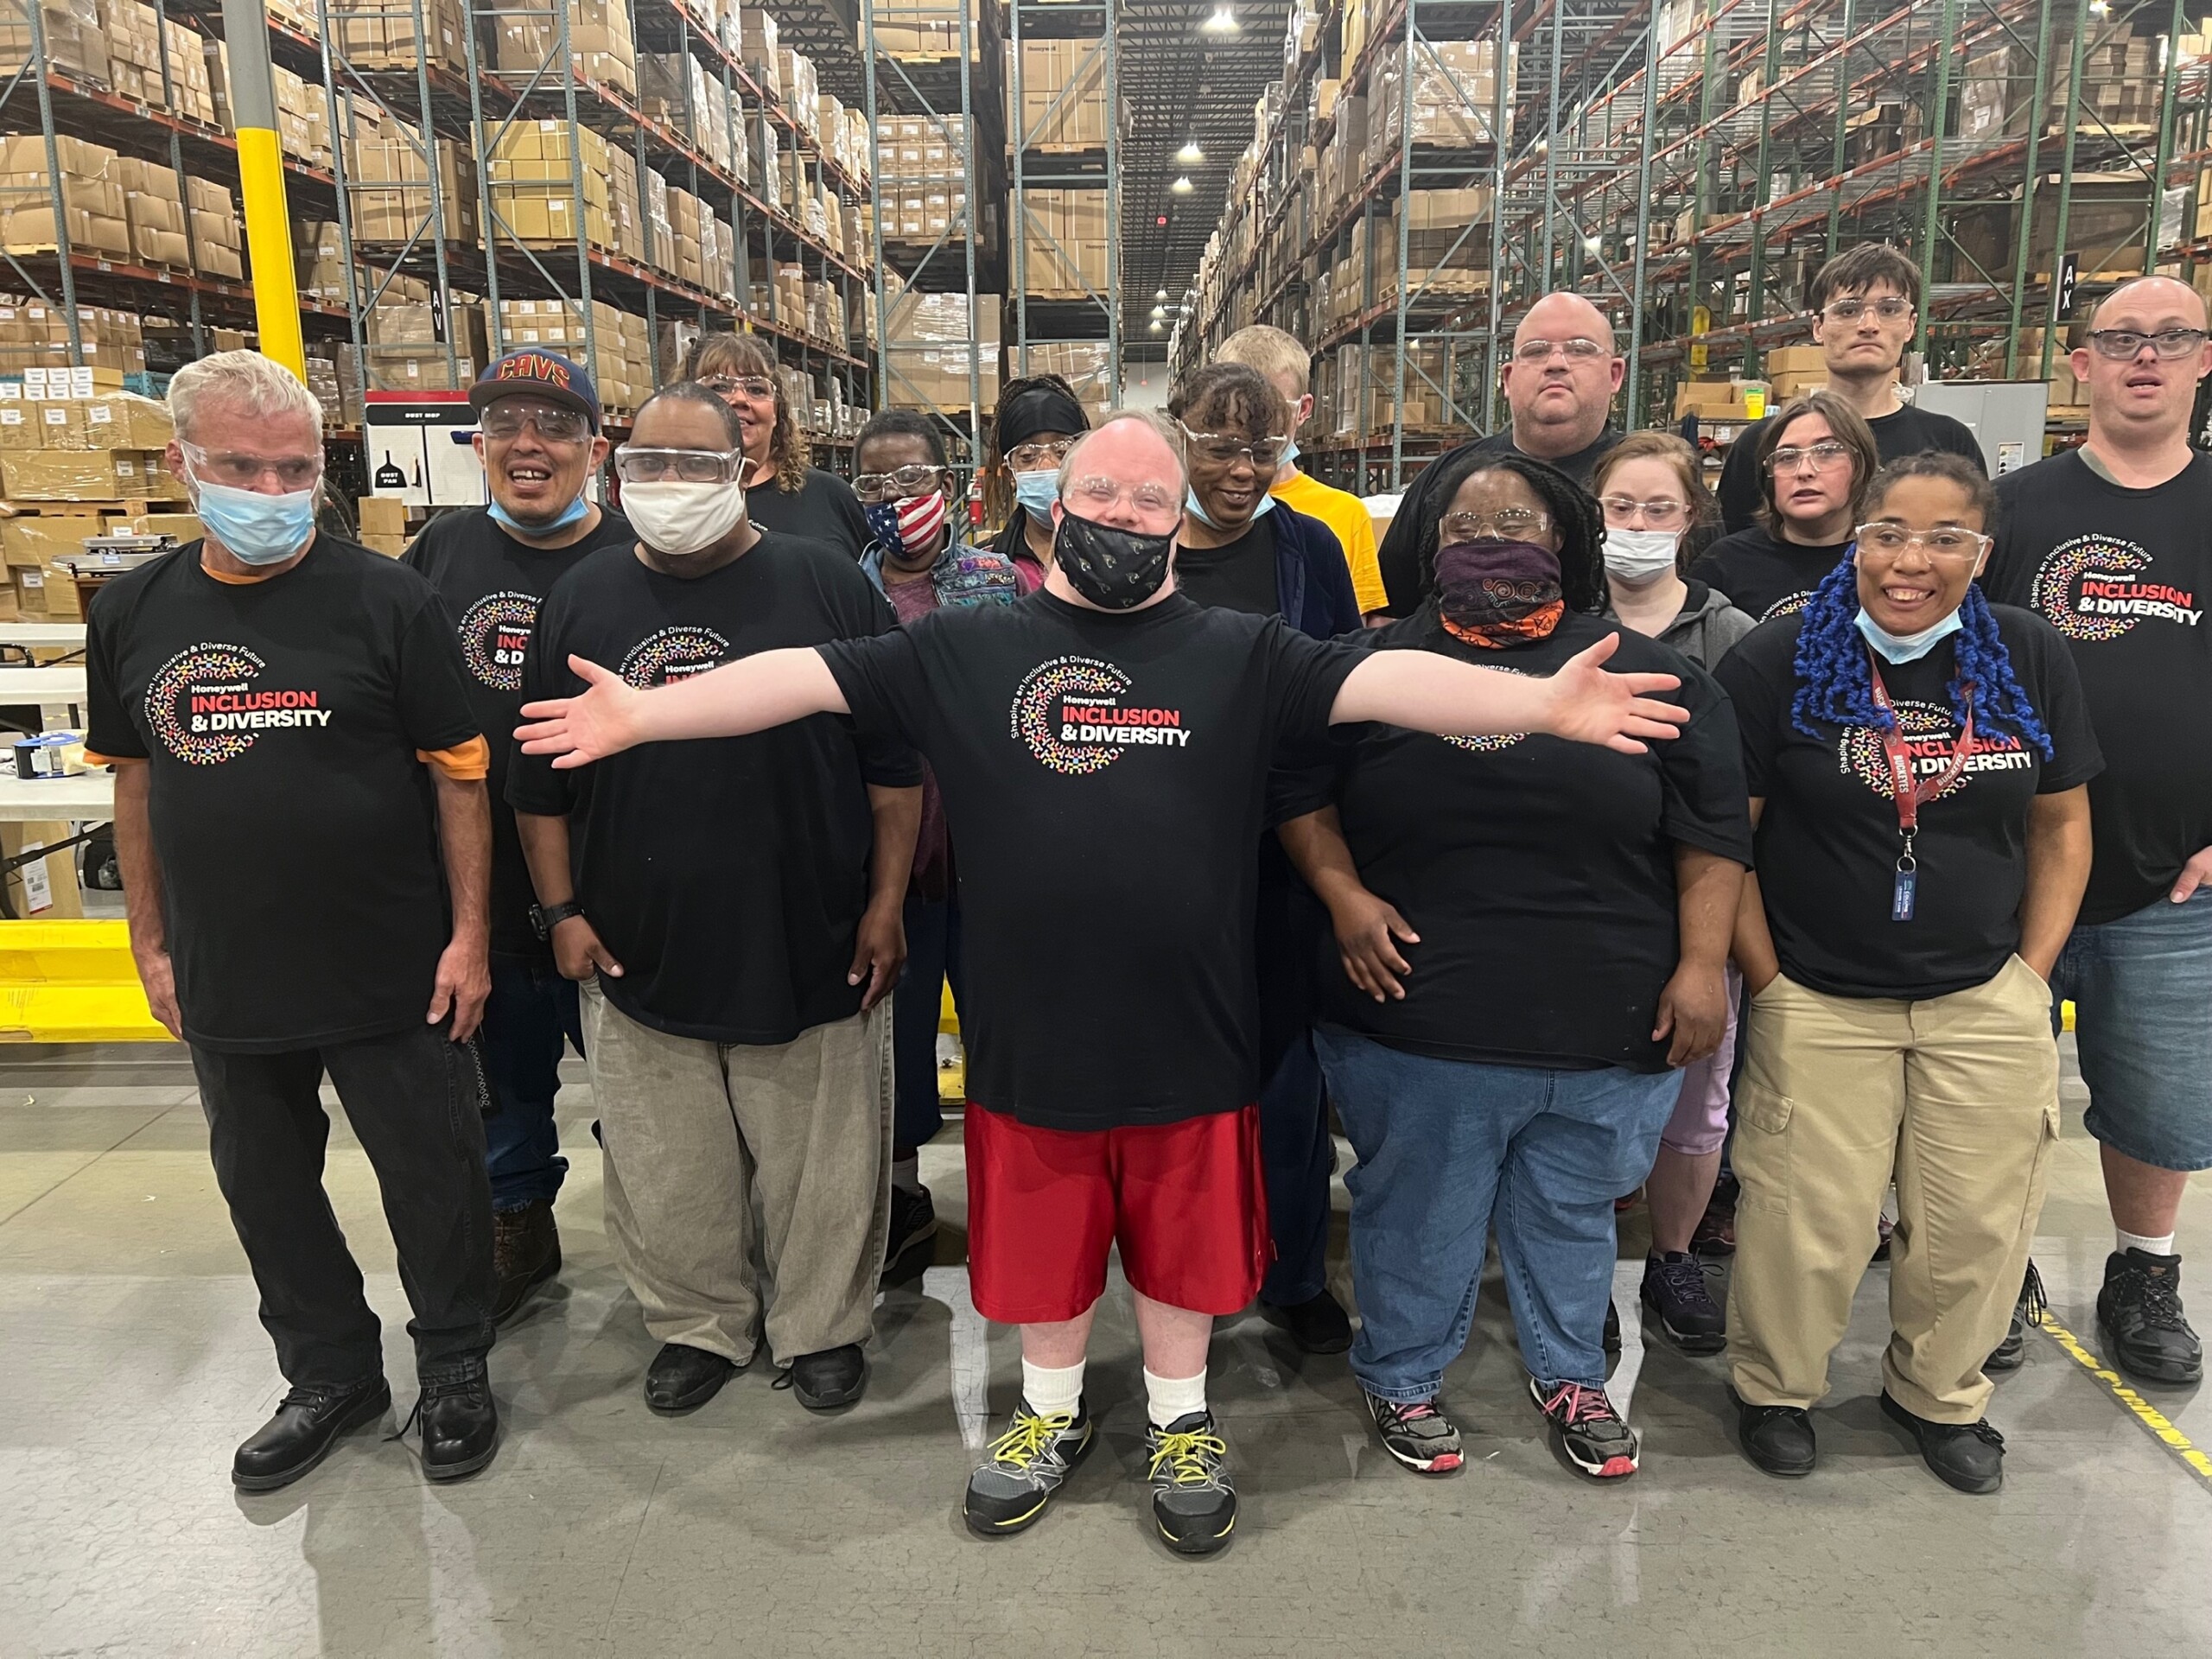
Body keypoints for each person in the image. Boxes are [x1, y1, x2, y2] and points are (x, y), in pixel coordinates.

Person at [513, 410, 1692, 1554]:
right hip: (1032, 1036)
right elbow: (804, 679)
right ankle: (1051, 1410)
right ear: (1053, 505)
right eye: (1099, 494)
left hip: (1193, 1028)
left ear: (1179, 523)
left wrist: (1540, 703)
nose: (1121, 515)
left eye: (1147, 500)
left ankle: (1181, 1423)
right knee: (1043, 1253)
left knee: (1183, 1256)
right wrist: (644, 713)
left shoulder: (1243, 653)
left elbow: (1389, 685)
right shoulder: (964, 648)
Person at [1276, 452, 1751, 1480]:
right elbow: (1295, 797)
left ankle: (1571, 1370)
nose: (1492, 540)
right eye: (1464, 524)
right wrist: (1345, 898)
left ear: (1567, 541)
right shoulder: (1370, 667)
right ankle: (1401, 1372)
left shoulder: (1654, 669)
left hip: (1607, 1017)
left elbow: (1711, 834)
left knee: (1574, 1212)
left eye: (1519, 521)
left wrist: (1702, 965)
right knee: (1417, 1212)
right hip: (1415, 1015)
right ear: (1425, 545)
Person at [86, 350, 500, 1490]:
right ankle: (329, 1371)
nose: (271, 494)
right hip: (230, 964)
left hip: (393, 960)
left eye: (294, 469)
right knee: (265, 1183)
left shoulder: (390, 599)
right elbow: (133, 780)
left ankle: (456, 1364)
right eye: (241, 468)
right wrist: (152, 941)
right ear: (183, 465)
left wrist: (470, 937)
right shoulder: (129, 611)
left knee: (433, 1173)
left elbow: (461, 774)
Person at [508, 383, 922, 1417]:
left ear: (746, 468)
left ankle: (821, 1326)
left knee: (823, 1162)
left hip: (811, 935)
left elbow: (895, 767)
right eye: (649, 464)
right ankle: (697, 1324)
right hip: (636, 948)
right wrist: (560, 912)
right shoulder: (583, 596)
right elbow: (537, 781)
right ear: (617, 468)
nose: (671, 485)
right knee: (664, 1165)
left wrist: (885, 904)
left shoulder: (826, 584)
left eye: (699, 464)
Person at [1717, 454, 2100, 1493]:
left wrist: (2030, 973)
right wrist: (1769, 982)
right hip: (1822, 997)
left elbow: (2062, 828)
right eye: (1888, 531)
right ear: (1856, 535)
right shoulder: (1779, 659)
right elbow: (1725, 845)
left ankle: (1937, 1394)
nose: (1909, 561)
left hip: (1981, 993)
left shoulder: (2027, 653)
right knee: (1808, 1221)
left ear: (1981, 554)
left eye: (1943, 539)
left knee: (1977, 1218)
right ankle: (1774, 1388)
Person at [1985, 274, 2212, 1388]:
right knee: (1987, 1084)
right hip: (2010, 867)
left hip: (2173, 874)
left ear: (2202, 361)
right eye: (2120, 339)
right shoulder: (2019, 507)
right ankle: (1998, 1267)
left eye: (2170, 339)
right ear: (2079, 364)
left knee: (2157, 1092)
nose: (2144, 358)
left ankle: (2143, 1272)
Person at [403, 350, 632, 1325]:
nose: (527, 445)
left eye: (552, 425)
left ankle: (676, 1237)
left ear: (594, 448)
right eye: (504, 425)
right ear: (481, 444)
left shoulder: (634, 558)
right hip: (482, 880)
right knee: (499, 1071)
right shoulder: (436, 557)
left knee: (645, 1080)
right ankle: (518, 1222)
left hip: (621, 878)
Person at [1168, 360, 1364, 1352]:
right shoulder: (1139, 544)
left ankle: (1291, 1272)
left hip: (1283, 856)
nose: (1243, 470)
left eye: (1264, 449)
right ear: (1176, 434)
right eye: (1219, 444)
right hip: (1166, 859)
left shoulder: (1309, 548)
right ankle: (1190, 1273)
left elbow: (1338, 690)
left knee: (1288, 1079)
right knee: (1182, 1080)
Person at [851, 407, 1033, 1271]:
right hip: (893, 865)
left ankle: (1016, 1198)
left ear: (950, 485)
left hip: (997, 864)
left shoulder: (1003, 584)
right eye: (876, 483)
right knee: (892, 1038)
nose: (896, 499)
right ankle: (900, 1200)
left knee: (1007, 1030)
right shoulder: (842, 591)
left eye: (912, 479)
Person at [1592, 434, 1757, 1351]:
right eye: (1622, 509)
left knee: (1698, 1103)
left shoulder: (1732, 637)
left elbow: (1744, 802)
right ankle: (1578, 1270)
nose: (1640, 527)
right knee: (1589, 1098)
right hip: (1591, 910)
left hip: (1698, 908)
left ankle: (1671, 1258)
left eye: (1659, 510)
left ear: (1689, 519)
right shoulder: (1564, 628)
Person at [1377, 290, 1625, 613]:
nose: (1556, 364)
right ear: (1508, 379)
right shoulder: (1451, 477)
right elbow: (1390, 609)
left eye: (1580, 349)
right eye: (1536, 351)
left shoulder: (1646, 480)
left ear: (1615, 374)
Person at [1716, 246, 1985, 533]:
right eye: (1848, 310)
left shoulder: (1949, 442)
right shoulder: (1766, 442)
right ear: (1818, 327)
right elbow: (1731, 550)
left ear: (1910, 325)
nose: (1869, 325)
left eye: (1889, 309)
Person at [1215, 323, 1391, 617]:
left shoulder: (1344, 514)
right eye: (1238, 409)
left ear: (1303, 409)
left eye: (1271, 410)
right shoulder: (1190, 510)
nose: (1255, 426)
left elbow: (1355, 630)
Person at [1691, 391, 1878, 622]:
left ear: (1860, 465)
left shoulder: (1884, 561)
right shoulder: (1723, 565)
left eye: (1826, 452)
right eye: (1787, 457)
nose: (1804, 471)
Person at [683, 332, 869, 557]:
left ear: (776, 411)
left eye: (756, 389)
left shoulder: (830, 497)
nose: (740, 399)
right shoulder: (671, 502)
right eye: (719, 387)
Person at [984, 373, 1090, 586]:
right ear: (1010, 473)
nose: (1047, 466)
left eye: (1062, 451)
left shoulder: (1114, 555)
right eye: (1027, 456)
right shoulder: (985, 565)